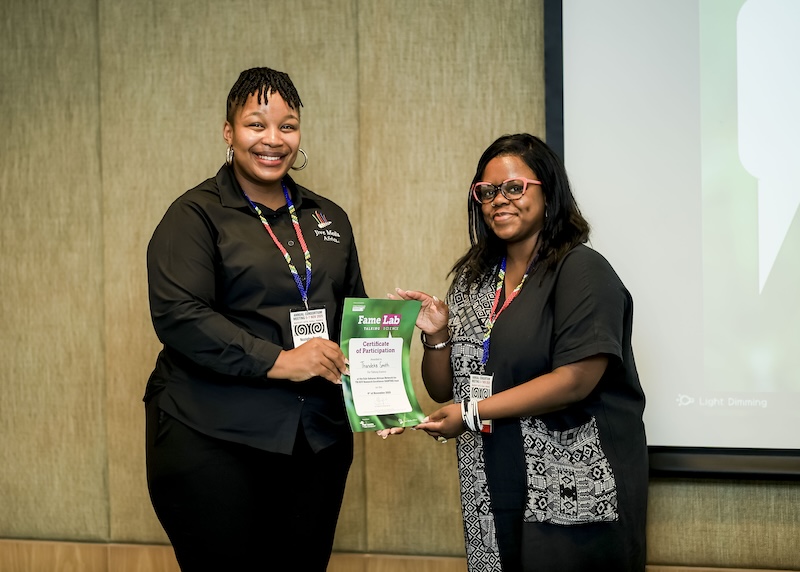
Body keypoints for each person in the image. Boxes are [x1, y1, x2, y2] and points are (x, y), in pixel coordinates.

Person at [144, 66, 366, 571]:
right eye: (256, 124)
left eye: (287, 126)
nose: (273, 139)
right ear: (229, 132)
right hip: (214, 435)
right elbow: (180, 315)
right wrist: (281, 361)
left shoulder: (328, 218)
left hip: (316, 439)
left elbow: (353, 315)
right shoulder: (195, 216)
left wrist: (381, 398)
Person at [393, 133, 648, 571]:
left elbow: (575, 381)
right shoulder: (473, 281)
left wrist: (470, 414)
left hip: (574, 491)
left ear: (548, 193)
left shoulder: (581, 270)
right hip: (491, 478)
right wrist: (437, 335)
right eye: (487, 191)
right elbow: (445, 389)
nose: (499, 200)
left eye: (514, 187)